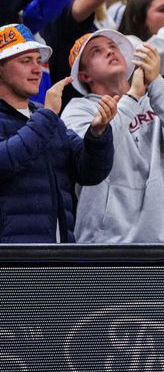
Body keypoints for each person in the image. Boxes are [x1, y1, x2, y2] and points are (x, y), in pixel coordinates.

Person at [62, 30, 164, 242]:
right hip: (105, 243)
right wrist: (133, 97)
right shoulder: (78, 110)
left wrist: (155, 82)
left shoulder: (160, 97)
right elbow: (93, 157)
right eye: (96, 52)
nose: (110, 52)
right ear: (84, 75)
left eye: (113, 47)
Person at [0, 24, 115, 242]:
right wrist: (49, 114)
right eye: (25, 61)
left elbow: (90, 173)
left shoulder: (46, 118)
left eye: (37, 60)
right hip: (10, 260)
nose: (37, 69)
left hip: (57, 254)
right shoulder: (47, 117)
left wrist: (97, 135)